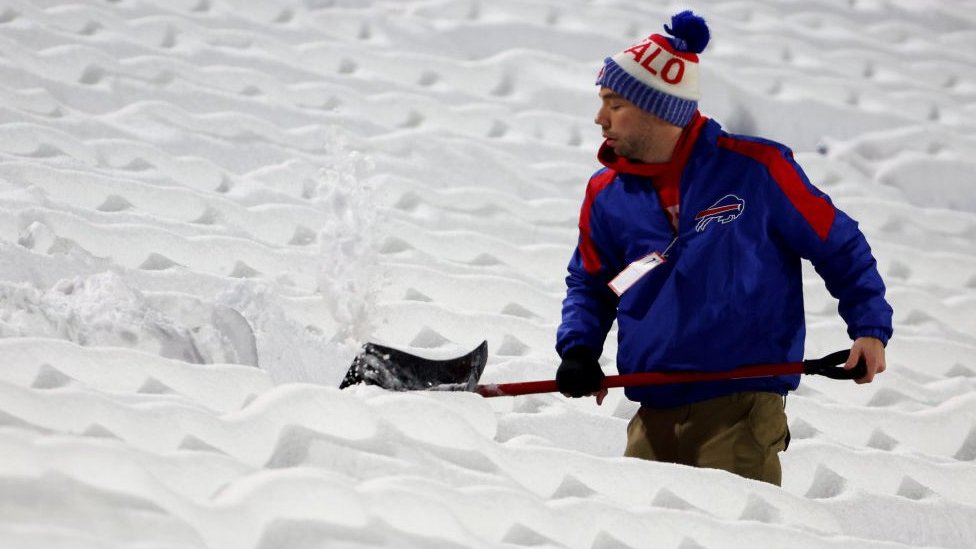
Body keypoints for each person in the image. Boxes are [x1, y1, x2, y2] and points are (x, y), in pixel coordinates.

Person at [554, 10, 893, 486]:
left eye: (614, 103)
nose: (599, 117)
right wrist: (579, 349)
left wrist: (870, 327)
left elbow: (839, 245)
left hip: (741, 405)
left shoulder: (757, 170)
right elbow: (592, 283)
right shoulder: (606, 194)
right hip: (653, 408)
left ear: (658, 108)